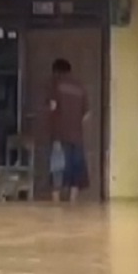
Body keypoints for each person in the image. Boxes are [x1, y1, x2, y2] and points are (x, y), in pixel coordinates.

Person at [48, 58, 90, 203]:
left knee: (57, 167)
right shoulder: (80, 87)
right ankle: (72, 201)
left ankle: (56, 201)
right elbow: (86, 114)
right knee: (76, 167)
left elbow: (52, 107)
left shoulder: (56, 85)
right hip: (77, 135)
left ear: (57, 72)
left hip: (60, 135)